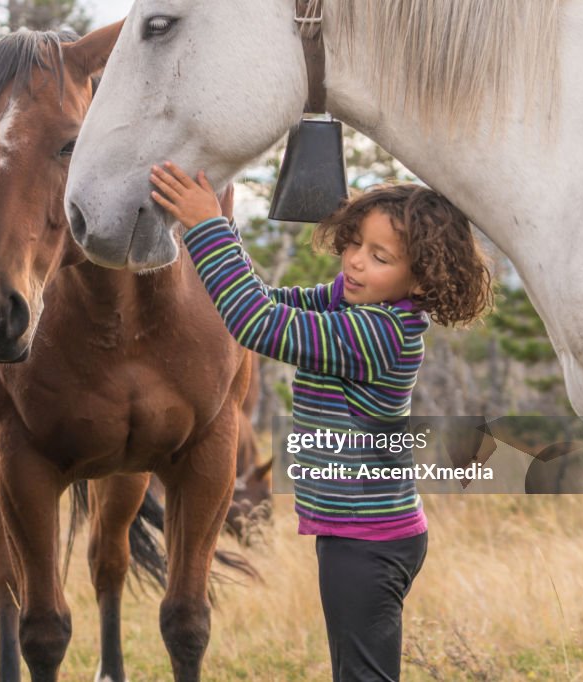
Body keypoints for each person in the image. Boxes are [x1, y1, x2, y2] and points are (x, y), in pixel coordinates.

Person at [149, 162, 493, 681]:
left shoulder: (379, 335)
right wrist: (219, 223)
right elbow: (262, 302)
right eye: (355, 243)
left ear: (420, 281)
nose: (354, 262)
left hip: (368, 540)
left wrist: (207, 229)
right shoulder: (350, 308)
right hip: (360, 533)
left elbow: (258, 325)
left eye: (379, 257)